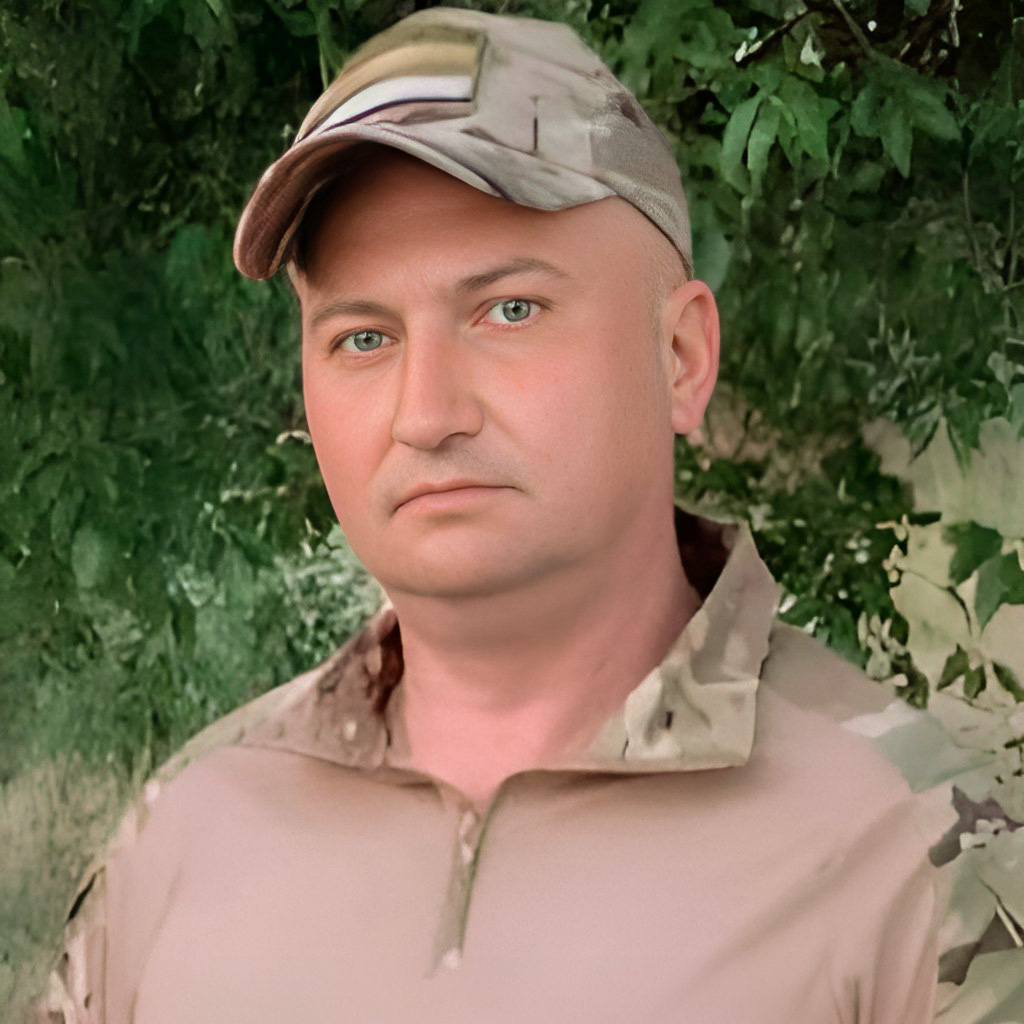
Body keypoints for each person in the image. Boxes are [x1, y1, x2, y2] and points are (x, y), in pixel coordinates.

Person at [40, 8, 940, 1022]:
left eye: (510, 311)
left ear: (681, 358)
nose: (426, 415)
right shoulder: (186, 834)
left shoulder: (913, 846)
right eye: (364, 338)